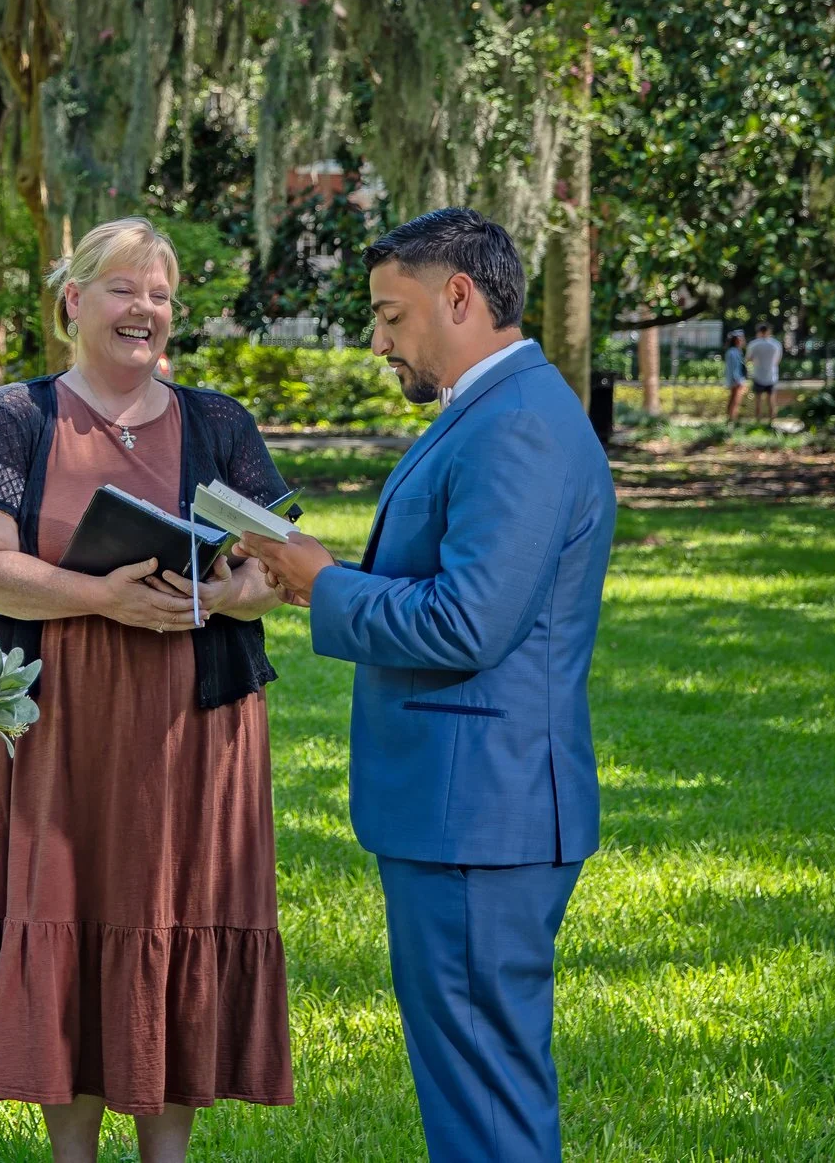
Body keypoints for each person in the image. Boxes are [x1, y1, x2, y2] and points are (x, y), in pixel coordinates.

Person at [234, 208, 613, 1163]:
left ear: (460, 296)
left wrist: (321, 579)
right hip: (470, 809)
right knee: (474, 1091)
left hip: (481, 816)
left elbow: (467, 622)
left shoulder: (519, 422)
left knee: (486, 1103)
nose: (378, 340)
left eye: (390, 316)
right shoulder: (497, 410)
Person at [0, 218, 295, 1163]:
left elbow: (284, 566)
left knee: (166, 917)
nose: (146, 310)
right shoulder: (14, 417)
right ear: (73, 302)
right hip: (59, 729)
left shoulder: (220, 424)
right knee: (76, 914)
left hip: (191, 730)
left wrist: (228, 590)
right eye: (126, 289)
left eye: (161, 294)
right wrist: (102, 598)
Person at [745, 322, 785, 424]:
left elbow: (748, 359)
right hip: (771, 375)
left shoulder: (753, 344)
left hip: (758, 374)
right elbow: (778, 360)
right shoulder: (776, 344)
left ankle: (758, 420)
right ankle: (772, 421)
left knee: (758, 399)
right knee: (771, 399)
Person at [722, 327, 748, 424]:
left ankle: (731, 418)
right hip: (736, 381)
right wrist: (737, 381)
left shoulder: (737, 351)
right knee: (734, 400)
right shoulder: (732, 352)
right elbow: (733, 368)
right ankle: (731, 419)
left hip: (737, 380)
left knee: (734, 400)